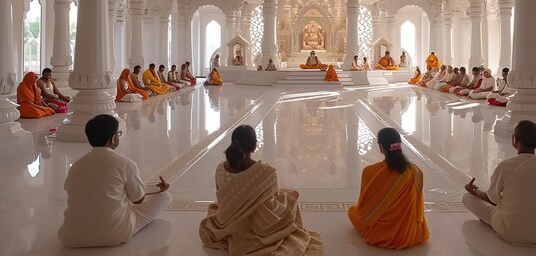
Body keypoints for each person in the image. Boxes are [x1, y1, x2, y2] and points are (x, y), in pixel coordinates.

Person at [199, 125, 323, 254]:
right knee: (290, 196)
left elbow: (220, 198)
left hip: (225, 220)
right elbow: (272, 201)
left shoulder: (220, 169)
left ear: (233, 143)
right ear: (254, 145)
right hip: (258, 226)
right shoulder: (266, 172)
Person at [58, 114, 172, 247]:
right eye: (118, 134)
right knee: (165, 197)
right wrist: (157, 190)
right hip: (114, 234)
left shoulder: (76, 166)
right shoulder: (125, 163)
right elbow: (138, 199)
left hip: (71, 237)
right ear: (113, 138)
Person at [462, 120, 536, 249]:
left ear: (514, 140)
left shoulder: (505, 166)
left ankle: (492, 222)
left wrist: (473, 191)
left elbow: (493, 200)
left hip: (513, 232)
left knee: (467, 199)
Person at [348, 127, 429, 249]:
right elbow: (419, 210)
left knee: (352, 211)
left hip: (382, 233)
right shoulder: (416, 171)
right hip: (411, 233)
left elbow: (364, 208)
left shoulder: (371, 171)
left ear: (381, 147)